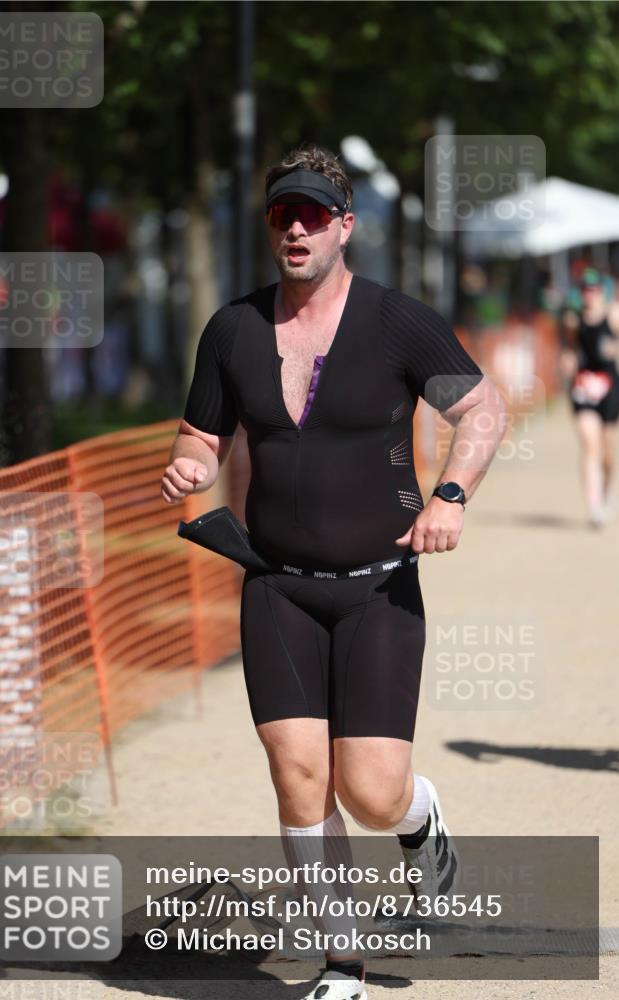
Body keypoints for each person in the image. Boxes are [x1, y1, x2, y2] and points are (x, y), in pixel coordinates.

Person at [161, 144, 505, 999]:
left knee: (371, 789)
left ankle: (419, 824)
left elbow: (481, 407)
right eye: (285, 213)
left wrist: (450, 495)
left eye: (316, 213)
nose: (299, 227)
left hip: (378, 585)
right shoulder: (232, 328)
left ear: (345, 226)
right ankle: (340, 960)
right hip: (273, 581)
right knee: (297, 771)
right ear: (270, 225)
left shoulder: (396, 320)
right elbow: (201, 434)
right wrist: (187, 467)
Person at [561, 267, 619, 528]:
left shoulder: (614, 315)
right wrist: (568, 358)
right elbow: (571, 347)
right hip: (584, 386)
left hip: (609, 387)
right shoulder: (573, 320)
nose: (590, 295)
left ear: (602, 292)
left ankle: (608, 492)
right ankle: (594, 505)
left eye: (594, 290)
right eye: (586, 290)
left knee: (607, 451)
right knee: (588, 443)